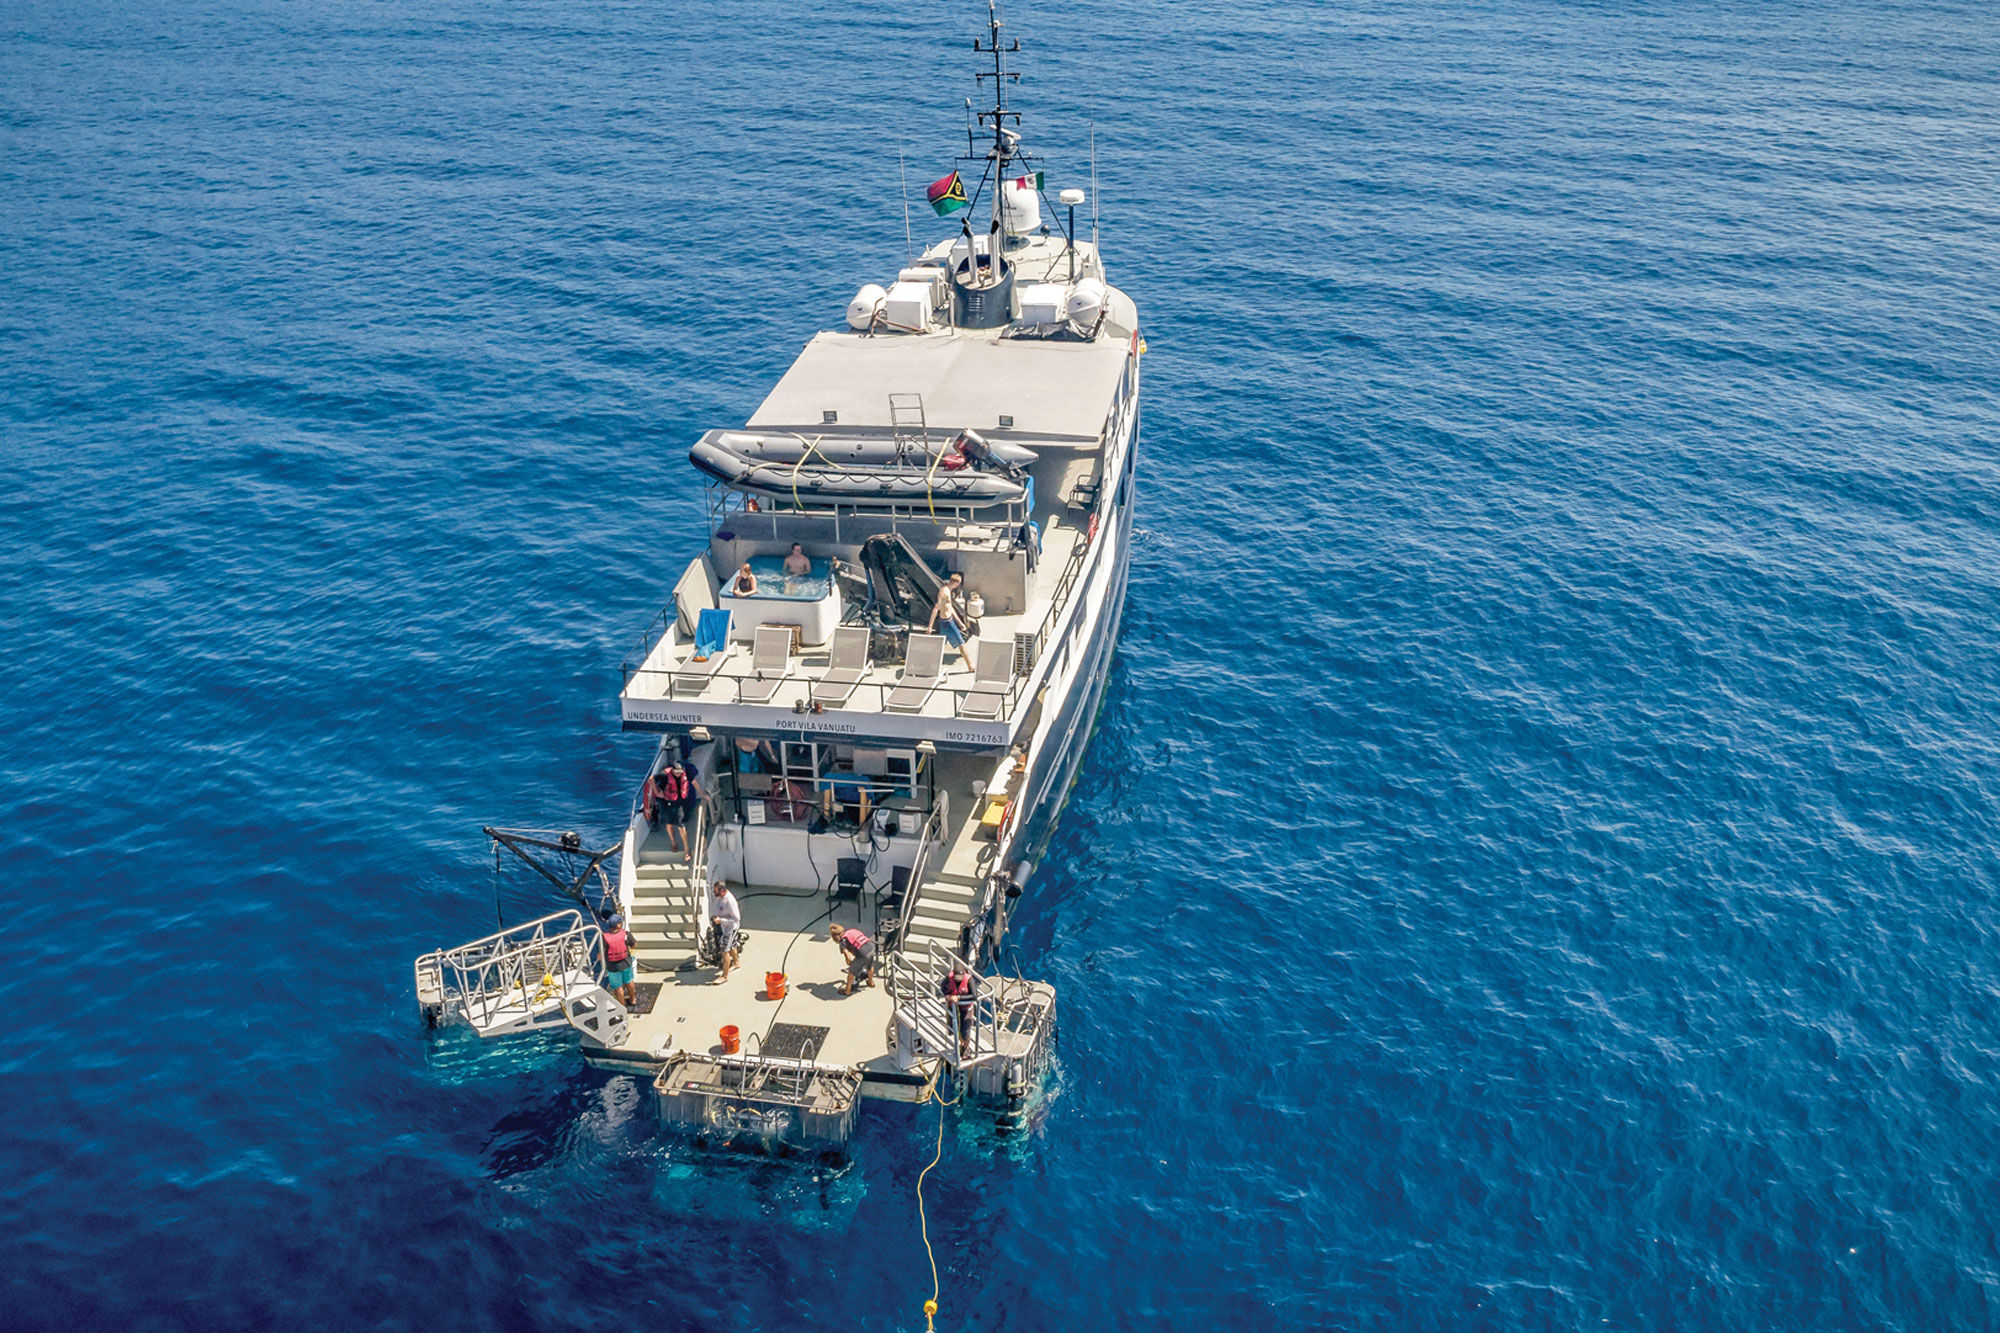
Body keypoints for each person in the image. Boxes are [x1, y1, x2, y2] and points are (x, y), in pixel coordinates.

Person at [927, 571, 974, 669]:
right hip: (947, 623)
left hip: (949, 621)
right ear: (956, 583)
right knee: (961, 643)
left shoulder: (949, 591)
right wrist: (930, 626)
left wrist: (960, 623)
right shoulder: (944, 592)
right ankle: (970, 666)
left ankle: (928, 664)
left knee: (939, 646)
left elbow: (950, 608)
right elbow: (936, 609)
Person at [601, 913, 638, 1008]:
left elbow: (600, 955)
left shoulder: (605, 937)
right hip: (626, 963)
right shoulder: (626, 934)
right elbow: (634, 945)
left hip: (613, 967)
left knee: (618, 987)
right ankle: (633, 1000)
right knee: (629, 981)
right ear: (618, 925)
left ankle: (622, 1007)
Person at [941, 963, 977, 1057]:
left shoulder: (969, 980)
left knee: (965, 1030)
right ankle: (957, 1043)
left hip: (966, 1008)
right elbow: (942, 987)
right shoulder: (949, 978)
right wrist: (947, 995)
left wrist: (959, 997)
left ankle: (966, 1047)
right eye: (956, 976)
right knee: (953, 1028)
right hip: (953, 1007)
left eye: (960, 976)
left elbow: (974, 996)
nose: (958, 979)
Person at [709, 881, 742, 984]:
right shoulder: (719, 897)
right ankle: (736, 963)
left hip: (731, 928)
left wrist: (721, 921)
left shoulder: (730, 901)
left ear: (722, 891)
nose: (714, 892)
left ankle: (724, 976)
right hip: (724, 927)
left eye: (715, 890)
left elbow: (736, 919)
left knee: (725, 950)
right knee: (732, 945)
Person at [830, 923, 876, 994]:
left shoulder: (843, 942)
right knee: (870, 966)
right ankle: (870, 982)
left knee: (851, 972)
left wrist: (850, 963)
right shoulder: (851, 931)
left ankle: (847, 991)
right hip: (871, 947)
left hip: (863, 954)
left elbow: (848, 956)